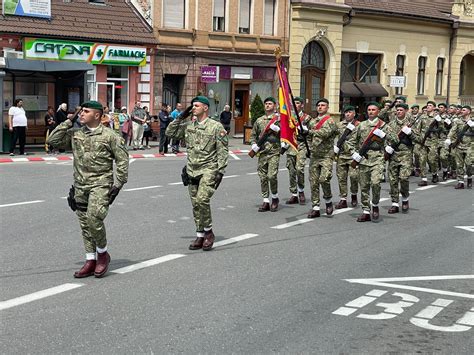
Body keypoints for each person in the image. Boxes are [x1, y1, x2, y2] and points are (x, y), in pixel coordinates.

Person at [47, 101, 129, 278]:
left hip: (100, 184)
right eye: (80, 111)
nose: (81, 114)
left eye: (85, 111)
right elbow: (52, 140)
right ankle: (90, 259)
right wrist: (70, 121)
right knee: (84, 224)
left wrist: (118, 184)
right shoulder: (76, 134)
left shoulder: (110, 136)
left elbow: (122, 159)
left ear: (97, 115)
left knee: (94, 218)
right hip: (80, 184)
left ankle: (102, 254)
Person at [166, 96, 228, 251]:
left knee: (201, 200)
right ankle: (200, 235)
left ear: (205, 108)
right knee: (195, 204)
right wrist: (181, 116)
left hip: (209, 168)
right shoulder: (189, 126)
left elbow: (222, 151)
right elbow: (170, 132)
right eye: (192, 106)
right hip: (192, 169)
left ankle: (209, 232)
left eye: (197, 105)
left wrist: (220, 171)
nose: (193, 108)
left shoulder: (216, 127)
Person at [347, 102, 394, 222]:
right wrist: (353, 153)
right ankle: (366, 211)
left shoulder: (384, 125)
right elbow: (350, 141)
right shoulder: (361, 125)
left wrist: (384, 135)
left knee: (375, 183)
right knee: (364, 186)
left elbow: (395, 139)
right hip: (364, 159)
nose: (371, 111)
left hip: (378, 157)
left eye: (373, 109)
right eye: (369, 110)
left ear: (378, 111)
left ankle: (375, 205)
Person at [305, 98, 338, 218]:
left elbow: (325, 133)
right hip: (315, 155)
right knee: (313, 182)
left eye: (323, 105)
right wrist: (308, 147)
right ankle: (316, 207)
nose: (320, 107)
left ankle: (328, 201)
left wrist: (309, 131)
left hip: (326, 156)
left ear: (327, 107)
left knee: (324, 179)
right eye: (318, 105)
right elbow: (308, 138)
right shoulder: (313, 122)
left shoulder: (330, 121)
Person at [384, 103, 418, 213]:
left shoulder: (411, 124)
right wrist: (387, 147)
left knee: (404, 178)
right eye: (397, 110)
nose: (398, 112)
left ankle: (405, 198)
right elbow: (385, 138)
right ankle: (394, 203)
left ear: (406, 111)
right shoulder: (391, 124)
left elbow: (419, 138)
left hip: (406, 155)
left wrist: (410, 133)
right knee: (393, 180)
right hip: (393, 155)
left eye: (401, 110)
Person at [250, 97, 281, 212]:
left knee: (271, 176)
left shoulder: (278, 120)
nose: (268, 105)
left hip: (274, 151)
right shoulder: (259, 120)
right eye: (266, 104)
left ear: (274, 106)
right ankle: (266, 201)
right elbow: (253, 135)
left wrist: (279, 130)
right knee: (262, 177)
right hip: (262, 152)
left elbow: (287, 135)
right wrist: (253, 144)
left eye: (270, 104)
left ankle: (275, 198)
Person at [285, 96, 313, 205]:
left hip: (302, 145)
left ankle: (301, 190)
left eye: (297, 103)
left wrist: (306, 131)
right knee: (291, 170)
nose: (295, 105)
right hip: (291, 145)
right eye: (294, 103)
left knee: (299, 168)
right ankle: (294, 194)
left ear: (302, 105)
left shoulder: (307, 118)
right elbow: (286, 130)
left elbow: (312, 132)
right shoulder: (289, 117)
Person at [333, 105, 359, 209]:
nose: (347, 114)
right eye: (346, 112)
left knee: (354, 177)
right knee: (341, 178)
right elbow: (333, 135)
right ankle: (343, 199)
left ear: (354, 114)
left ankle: (354, 195)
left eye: (350, 112)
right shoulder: (339, 125)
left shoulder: (358, 125)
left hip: (353, 155)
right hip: (342, 155)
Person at [413, 101, 441, 186]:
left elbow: (442, 129)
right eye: (427, 105)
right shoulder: (422, 117)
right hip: (423, 142)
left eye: (430, 105)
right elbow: (417, 129)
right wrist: (417, 138)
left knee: (432, 160)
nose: (428, 107)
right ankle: (424, 179)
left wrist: (440, 122)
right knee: (422, 160)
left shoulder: (437, 117)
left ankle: (434, 173)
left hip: (433, 142)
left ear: (434, 107)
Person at [445, 105, 473, 189]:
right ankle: (460, 182)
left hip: (470, 146)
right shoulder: (458, 121)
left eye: (464, 110)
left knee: (469, 164)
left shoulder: (473, 121)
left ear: (469, 112)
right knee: (459, 164)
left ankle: (469, 177)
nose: (461, 111)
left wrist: (472, 126)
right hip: (459, 145)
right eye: (462, 110)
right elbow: (452, 130)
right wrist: (449, 138)